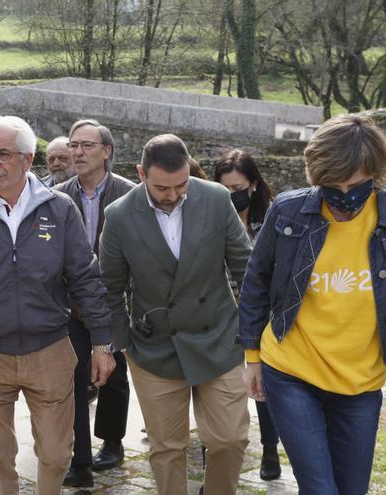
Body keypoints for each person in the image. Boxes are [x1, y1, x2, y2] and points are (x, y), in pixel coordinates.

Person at [0, 115, 115, 495]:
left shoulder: (60, 209)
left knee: (57, 454)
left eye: (3, 155)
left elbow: (84, 277)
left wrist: (101, 343)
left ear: (28, 159)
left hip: (49, 350)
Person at [238, 115, 386, 495]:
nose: (343, 197)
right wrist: (253, 357)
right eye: (330, 187)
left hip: (361, 384)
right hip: (291, 372)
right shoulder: (288, 212)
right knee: (320, 489)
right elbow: (255, 283)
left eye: (354, 186)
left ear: (377, 173)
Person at [99, 134, 252, 495]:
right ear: (140, 173)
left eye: (181, 184)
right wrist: (120, 344)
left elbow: (246, 266)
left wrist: (252, 331)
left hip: (218, 338)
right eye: (162, 187)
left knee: (230, 440)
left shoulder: (215, 198)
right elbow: (110, 287)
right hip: (155, 349)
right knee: (167, 449)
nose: (173, 195)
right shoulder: (118, 216)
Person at [53, 120, 134, 487]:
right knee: (72, 376)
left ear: (107, 151)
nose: (78, 153)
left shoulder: (129, 194)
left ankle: (113, 441)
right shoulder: (57, 194)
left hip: (114, 297)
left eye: (87, 145)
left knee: (113, 373)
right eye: (74, 146)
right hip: (71, 301)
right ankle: (80, 460)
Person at [213, 149, 281, 480]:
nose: (231, 195)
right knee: (219, 389)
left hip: (260, 315)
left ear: (252, 185)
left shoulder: (271, 217)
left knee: (261, 386)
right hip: (220, 315)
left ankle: (270, 449)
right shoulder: (211, 215)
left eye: (237, 187)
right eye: (224, 189)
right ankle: (217, 459)